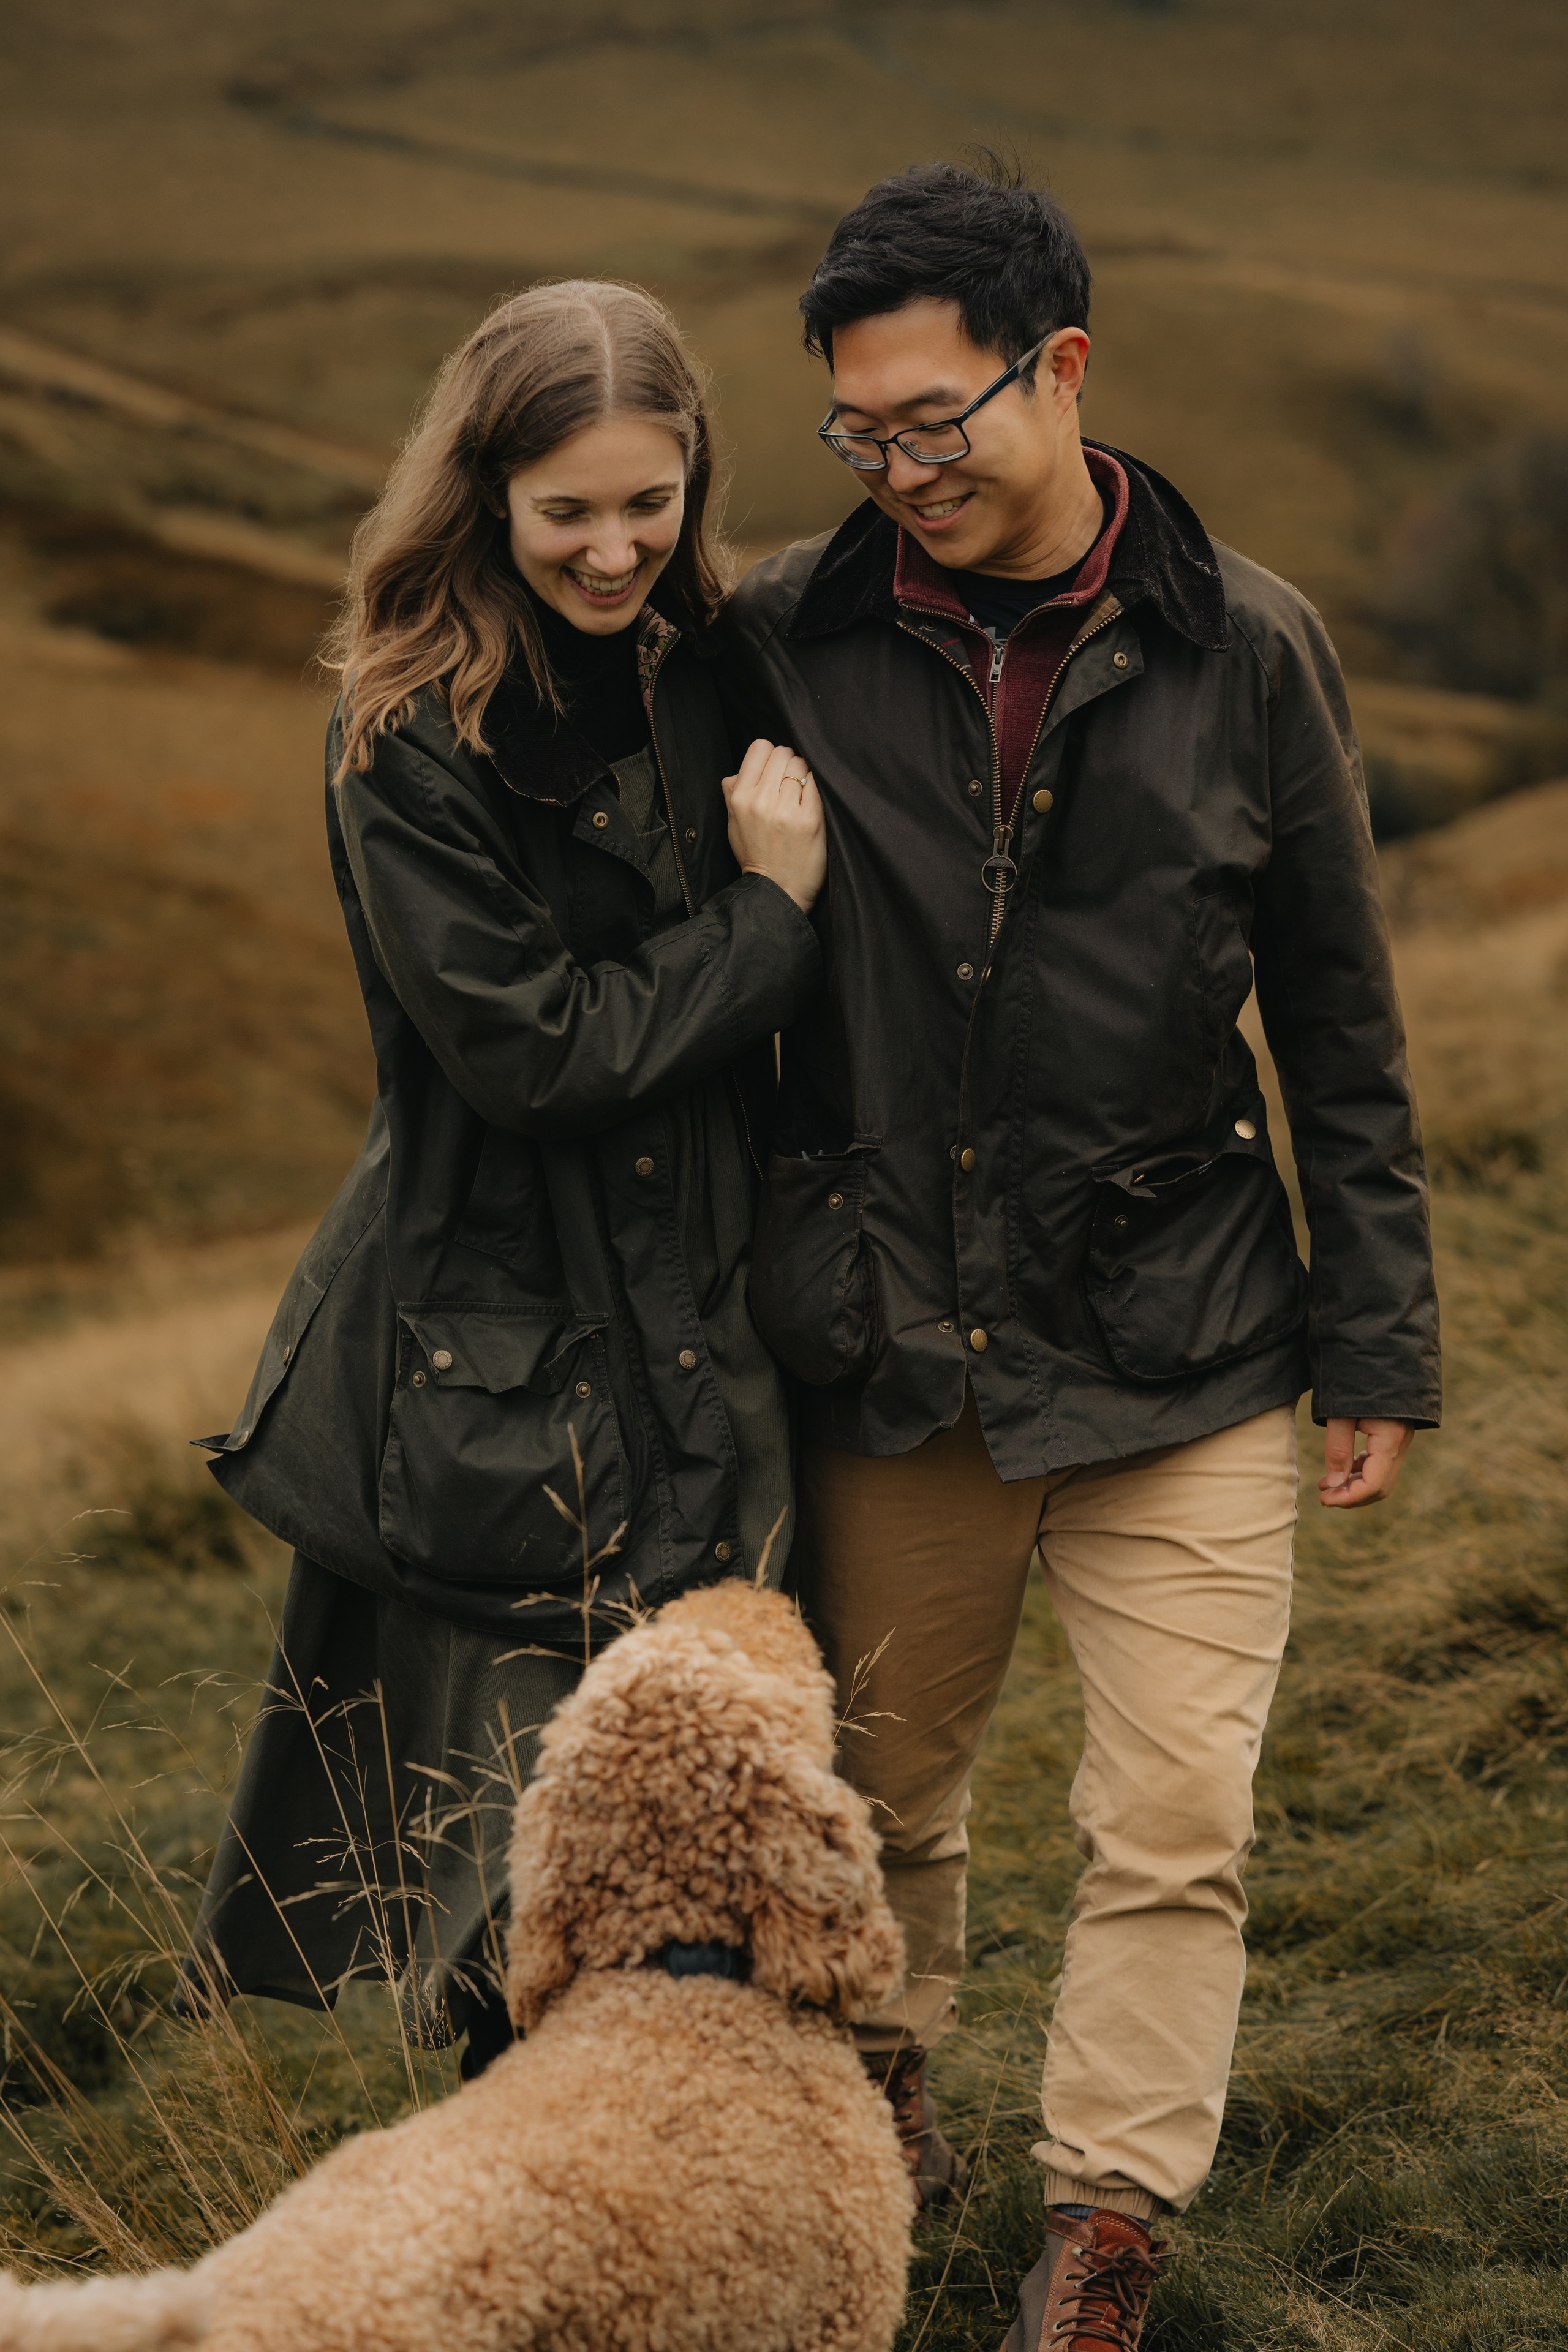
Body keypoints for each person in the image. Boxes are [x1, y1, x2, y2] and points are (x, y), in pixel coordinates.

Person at [725, 162, 1440, 2348]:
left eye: (938, 420)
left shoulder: (1256, 645)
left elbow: (1336, 1006)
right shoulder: (777, 631)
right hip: (896, 1347)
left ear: (1066, 371)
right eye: (860, 432)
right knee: (884, 1804)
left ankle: (1107, 2225)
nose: (900, 471)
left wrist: (1380, 1343)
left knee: (1179, 1818)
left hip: (1196, 1337)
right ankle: (888, 2103)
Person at [184, 281, 826, 2079]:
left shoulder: (721, 671)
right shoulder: (405, 731)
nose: (615, 548)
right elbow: (536, 1049)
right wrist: (766, 923)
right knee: (524, 1870)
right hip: (500, 1351)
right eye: (569, 511)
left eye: (652, 500)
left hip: (716, 1318)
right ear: (486, 495)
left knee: (725, 1802)